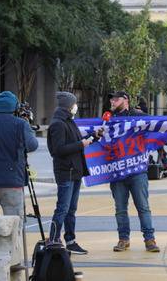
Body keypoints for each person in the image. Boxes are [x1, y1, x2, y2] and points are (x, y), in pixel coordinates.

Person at [47, 92, 102, 254]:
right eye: (74, 104)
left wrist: (94, 137)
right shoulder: (58, 124)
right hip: (66, 172)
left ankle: (70, 240)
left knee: (71, 209)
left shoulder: (68, 122)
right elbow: (58, 150)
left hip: (75, 171)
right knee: (63, 208)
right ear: (68, 106)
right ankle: (53, 239)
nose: (75, 107)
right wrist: (81, 144)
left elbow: (76, 142)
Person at [108, 91, 160, 253]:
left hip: (137, 170)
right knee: (120, 209)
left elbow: (159, 125)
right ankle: (123, 239)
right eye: (111, 99)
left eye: (116, 99)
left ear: (126, 100)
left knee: (143, 207)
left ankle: (149, 239)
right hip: (117, 171)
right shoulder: (108, 119)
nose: (112, 101)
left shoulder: (139, 116)